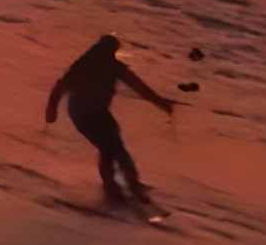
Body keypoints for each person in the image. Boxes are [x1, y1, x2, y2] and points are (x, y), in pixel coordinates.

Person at [44, 34, 177, 203]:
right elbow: (60, 87)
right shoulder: (84, 66)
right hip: (82, 114)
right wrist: (51, 110)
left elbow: (140, 88)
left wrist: (162, 104)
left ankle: (129, 182)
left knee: (115, 147)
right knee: (110, 148)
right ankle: (114, 186)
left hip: (99, 112)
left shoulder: (112, 67)